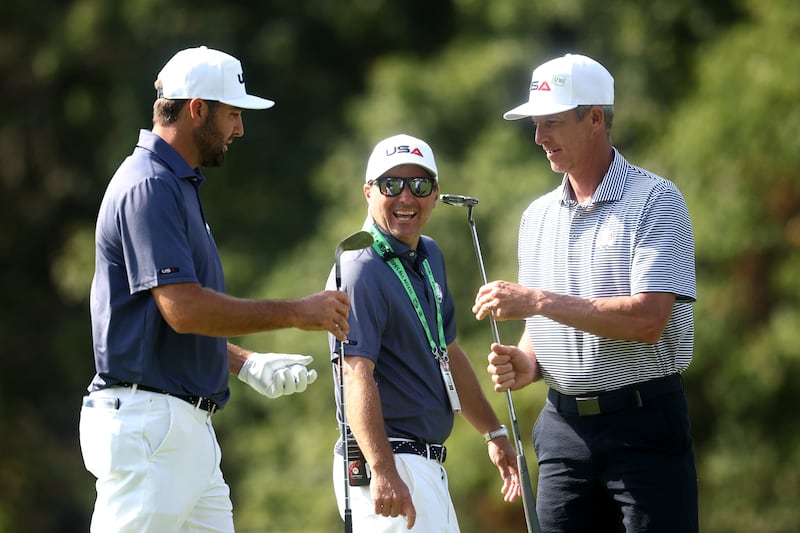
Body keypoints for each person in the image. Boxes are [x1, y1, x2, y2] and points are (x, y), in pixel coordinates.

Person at [79, 46, 352, 533]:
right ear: (197, 108)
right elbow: (183, 310)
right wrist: (296, 311)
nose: (239, 129)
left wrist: (243, 364)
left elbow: (162, 319)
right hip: (150, 429)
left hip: (181, 430)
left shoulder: (176, 183)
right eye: (233, 114)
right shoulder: (150, 186)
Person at [473, 53, 699, 532]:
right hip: (563, 432)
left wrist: (536, 300)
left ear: (595, 118)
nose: (539, 138)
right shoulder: (535, 217)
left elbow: (648, 321)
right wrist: (528, 362)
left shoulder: (656, 201)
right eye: (536, 125)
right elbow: (543, 325)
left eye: (551, 123)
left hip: (644, 425)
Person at [328, 133, 522, 532]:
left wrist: (493, 431)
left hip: (425, 463)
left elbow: (446, 350)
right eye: (391, 185)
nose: (406, 198)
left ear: (435, 195)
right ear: (368, 192)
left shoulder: (429, 254)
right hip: (386, 462)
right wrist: (382, 470)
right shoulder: (359, 267)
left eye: (419, 185)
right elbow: (355, 373)